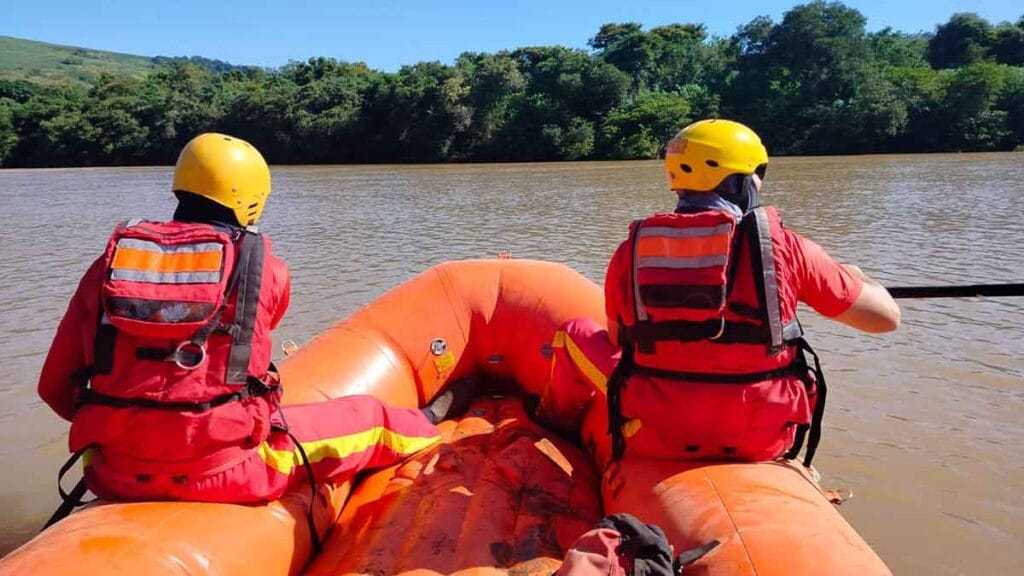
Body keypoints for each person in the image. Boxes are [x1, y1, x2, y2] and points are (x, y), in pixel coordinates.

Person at [38, 133, 446, 524]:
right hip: (228, 471)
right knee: (371, 418)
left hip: (112, 472)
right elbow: (255, 344)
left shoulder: (108, 268)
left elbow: (54, 388)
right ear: (252, 197)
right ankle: (431, 422)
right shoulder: (267, 269)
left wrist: (133, 428)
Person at [540, 119, 900, 468]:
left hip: (659, 434)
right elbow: (886, 319)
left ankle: (555, 431)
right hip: (765, 439)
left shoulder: (631, 252)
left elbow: (619, 342)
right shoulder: (789, 249)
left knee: (572, 332)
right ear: (740, 182)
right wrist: (858, 278)